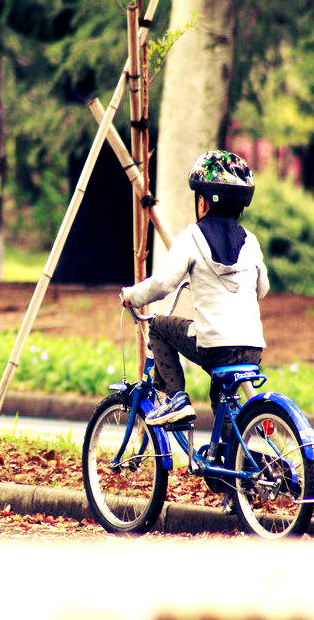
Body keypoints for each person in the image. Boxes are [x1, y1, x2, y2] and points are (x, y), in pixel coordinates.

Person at [121, 150, 269, 426]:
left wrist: (133, 295)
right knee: (223, 400)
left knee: (159, 326)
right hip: (251, 349)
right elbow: (262, 288)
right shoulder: (251, 241)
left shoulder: (192, 236)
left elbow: (163, 284)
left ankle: (177, 398)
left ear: (202, 201)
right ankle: (231, 460)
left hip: (214, 345)